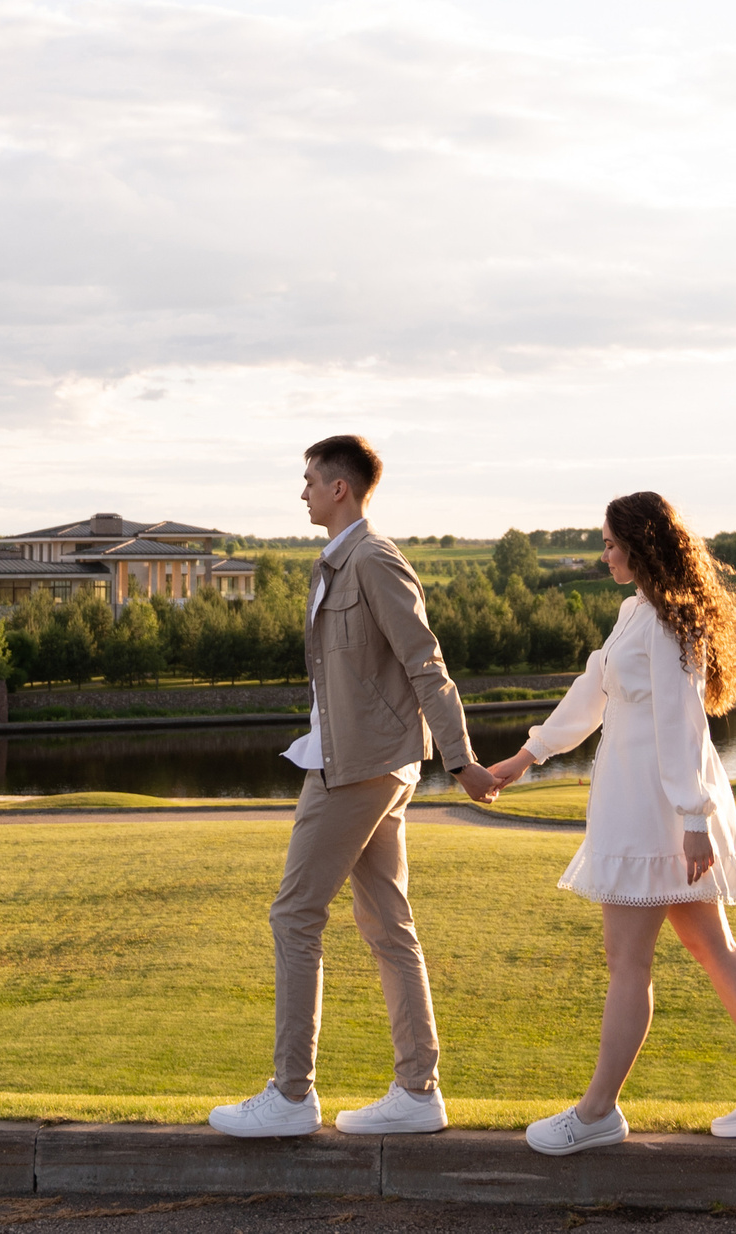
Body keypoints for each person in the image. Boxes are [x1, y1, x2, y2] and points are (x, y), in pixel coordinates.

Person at [483, 490, 736, 1154]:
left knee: (628, 961)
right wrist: (527, 755)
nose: (602, 555)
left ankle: (599, 1112)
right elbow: (594, 693)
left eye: (608, 544)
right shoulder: (637, 613)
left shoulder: (666, 625)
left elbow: (682, 724)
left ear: (638, 545)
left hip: (655, 814)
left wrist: (693, 817)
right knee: (707, 948)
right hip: (642, 805)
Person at [209, 435, 504, 1140]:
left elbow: (425, 664)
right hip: (362, 759)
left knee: (294, 915)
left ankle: (290, 1094)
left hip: (359, 767)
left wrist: (461, 762)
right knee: (385, 923)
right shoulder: (336, 564)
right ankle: (417, 1091)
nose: (302, 491)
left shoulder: (372, 560)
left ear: (340, 488)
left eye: (309, 480)